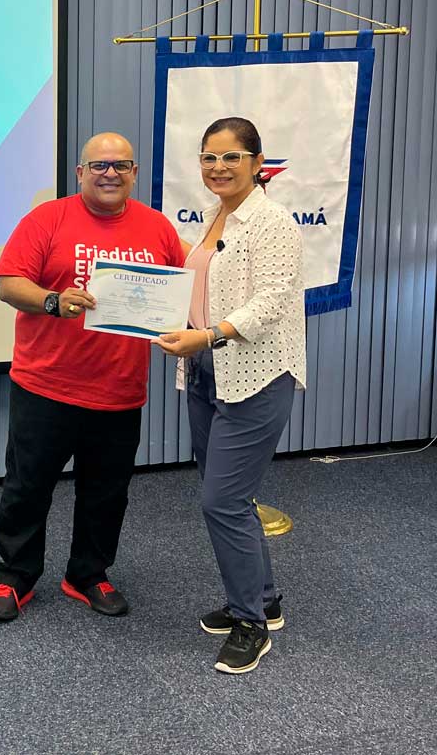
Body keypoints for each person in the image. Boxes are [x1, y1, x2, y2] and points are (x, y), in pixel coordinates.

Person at [0, 132, 185, 622]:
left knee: (107, 492)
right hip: (45, 385)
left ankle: (87, 574)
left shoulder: (158, 228)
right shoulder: (46, 219)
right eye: (99, 165)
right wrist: (53, 301)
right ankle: (16, 577)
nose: (110, 173)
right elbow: (9, 284)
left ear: (135, 173)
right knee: (28, 487)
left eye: (121, 165)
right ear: (80, 173)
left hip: (119, 390)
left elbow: (184, 287)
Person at [153, 116, 306, 674]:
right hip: (205, 372)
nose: (218, 167)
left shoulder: (272, 223)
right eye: (209, 157)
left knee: (222, 501)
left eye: (231, 157)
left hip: (255, 376)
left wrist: (208, 335)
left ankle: (250, 625)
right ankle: (263, 599)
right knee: (230, 498)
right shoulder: (214, 215)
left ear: (257, 163)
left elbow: (269, 303)